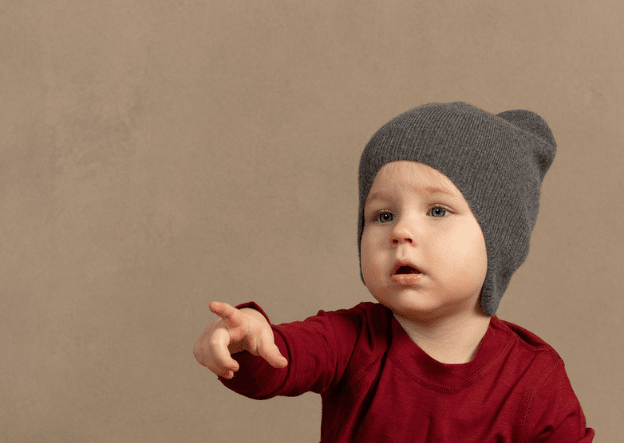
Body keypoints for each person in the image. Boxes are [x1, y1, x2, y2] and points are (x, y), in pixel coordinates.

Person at [193, 102, 595, 442]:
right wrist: (248, 339)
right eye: (383, 215)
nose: (401, 232)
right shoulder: (350, 340)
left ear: (498, 240)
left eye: (437, 211)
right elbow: (282, 359)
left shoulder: (533, 380)